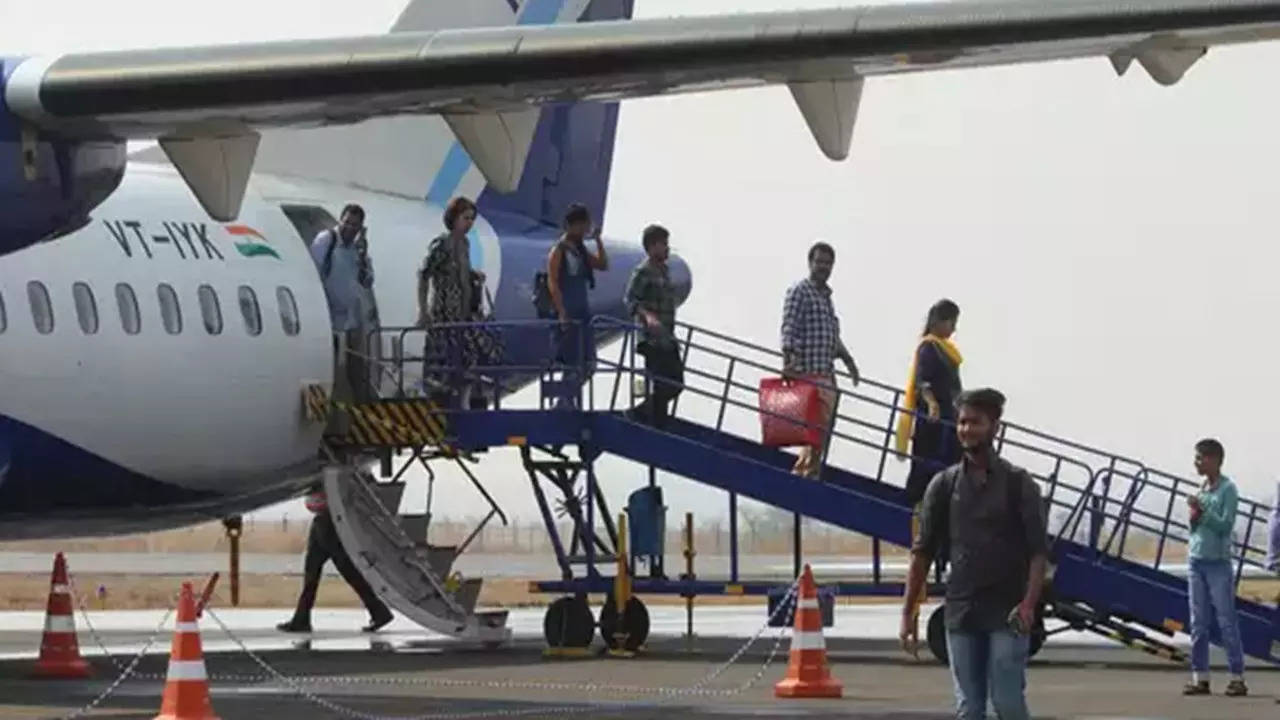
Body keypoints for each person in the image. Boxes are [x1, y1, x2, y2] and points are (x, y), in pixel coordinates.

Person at [900, 388, 1047, 720]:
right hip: (962, 612)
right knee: (969, 707)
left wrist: (1028, 605)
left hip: (1008, 612)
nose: (967, 429)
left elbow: (1039, 553)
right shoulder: (943, 484)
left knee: (1007, 702)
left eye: (976, 422)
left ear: (994, 426)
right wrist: (908, 611)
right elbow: (921, 552)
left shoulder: (1019, 484)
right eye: (962, 422)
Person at [780, 241, 859, 478]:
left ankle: (808, 469)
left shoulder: (825, 298)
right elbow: (789, 327)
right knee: (815, 428)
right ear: (810, 263)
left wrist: (848, 361)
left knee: (821, 429)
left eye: (828, 263)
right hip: (808, 371)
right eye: (819, 262)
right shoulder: (800, 291)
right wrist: (789, 361)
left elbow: (831, 335)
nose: (824, 267)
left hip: (826, 372)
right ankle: (805, 472)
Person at [277, 485, 393, 634]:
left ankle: (379, 612)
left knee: (341, 572)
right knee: (319, 574)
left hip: (328, 522)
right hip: (323, 521)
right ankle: (301, 619)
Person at [1182, 438, 1247, 697]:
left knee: (1226, 620)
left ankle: (1237, 677)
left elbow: (1225, 525)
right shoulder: (1202, 488)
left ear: (1215, 460)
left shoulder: (1228, 490)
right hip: (1196, 560)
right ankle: (1201, 678)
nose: (1197, 462)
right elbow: (1197, 526)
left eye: (1201, 458)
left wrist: (1203, 511)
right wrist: (1194, 518)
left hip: (1217, 564)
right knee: (1198, 623)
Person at [417, 196, 489, 409]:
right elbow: (424, 275)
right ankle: (446, 404)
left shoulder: (465, 245)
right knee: (444, 365)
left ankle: (464, 403)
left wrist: (474, 275)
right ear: (454, 218)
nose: (469, 223)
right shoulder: (442, 245)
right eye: (465, 218)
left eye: (471, 219)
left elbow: (462, 271)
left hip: (462, 313)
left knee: (469, 359)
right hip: (444, 314)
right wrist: (423, 311)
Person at [898, 299, 963, 505]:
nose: (953, 328)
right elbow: (922, 380)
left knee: (947, 470)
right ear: (938, 321)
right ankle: (911, 509)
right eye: (951, 322)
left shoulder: (947, 351)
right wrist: (932, 404)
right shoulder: (929, 347)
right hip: (932, 422)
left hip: (949, 422)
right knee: (924, 469)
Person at [311, 204, 376, 403]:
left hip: (351, 321)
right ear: (340, 220)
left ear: (360, 228)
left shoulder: (358, 250)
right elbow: (313, 273)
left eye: (354, 225)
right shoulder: (326, 241)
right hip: (329, 319)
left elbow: (367, 281)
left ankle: (357, 412)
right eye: (346, 222)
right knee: (330, 371)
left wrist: (364, 254)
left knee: (355, 371)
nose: (348, 228)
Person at [546, 203, 608, 405]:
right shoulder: (559, 251)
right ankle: (564, 401)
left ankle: (566, 398)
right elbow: (553, 281)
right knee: (572, 363)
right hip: (568, 313)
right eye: (582, 226)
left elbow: (602, 264)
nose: (584, 231)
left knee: (589, 363)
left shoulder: (580, 250)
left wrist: (598, 240)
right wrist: (561, 312)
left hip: (583, 312)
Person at [623, 224, 683, 427]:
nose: (667, 248)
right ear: (651, 247)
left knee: (675, 384)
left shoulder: (664, 271)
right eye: (663, 244)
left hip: (667, 338)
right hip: (651, 339)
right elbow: (630, 300)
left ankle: (642, 412)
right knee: (661, 384)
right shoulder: (643, 271)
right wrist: (647, 316)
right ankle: (652, 419)